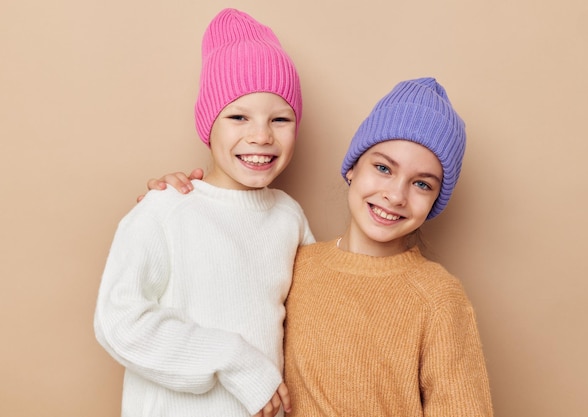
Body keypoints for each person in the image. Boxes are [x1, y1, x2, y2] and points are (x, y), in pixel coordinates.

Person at [147, 78, 493, 416]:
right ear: (352, 169)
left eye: (421, 184)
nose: (396, 195)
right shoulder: (294, 262)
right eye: (383, 168)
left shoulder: (438, 298)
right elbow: (216, 302)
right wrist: (185, 202)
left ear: (435, 201)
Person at [94, 8, 314, 417]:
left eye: (280, 119)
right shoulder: (167, 208)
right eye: (238, 116)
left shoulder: (290, 218)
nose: (261, 135)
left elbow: (315, 326)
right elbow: (118, 320)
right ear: (208, 123)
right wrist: (232, 358)